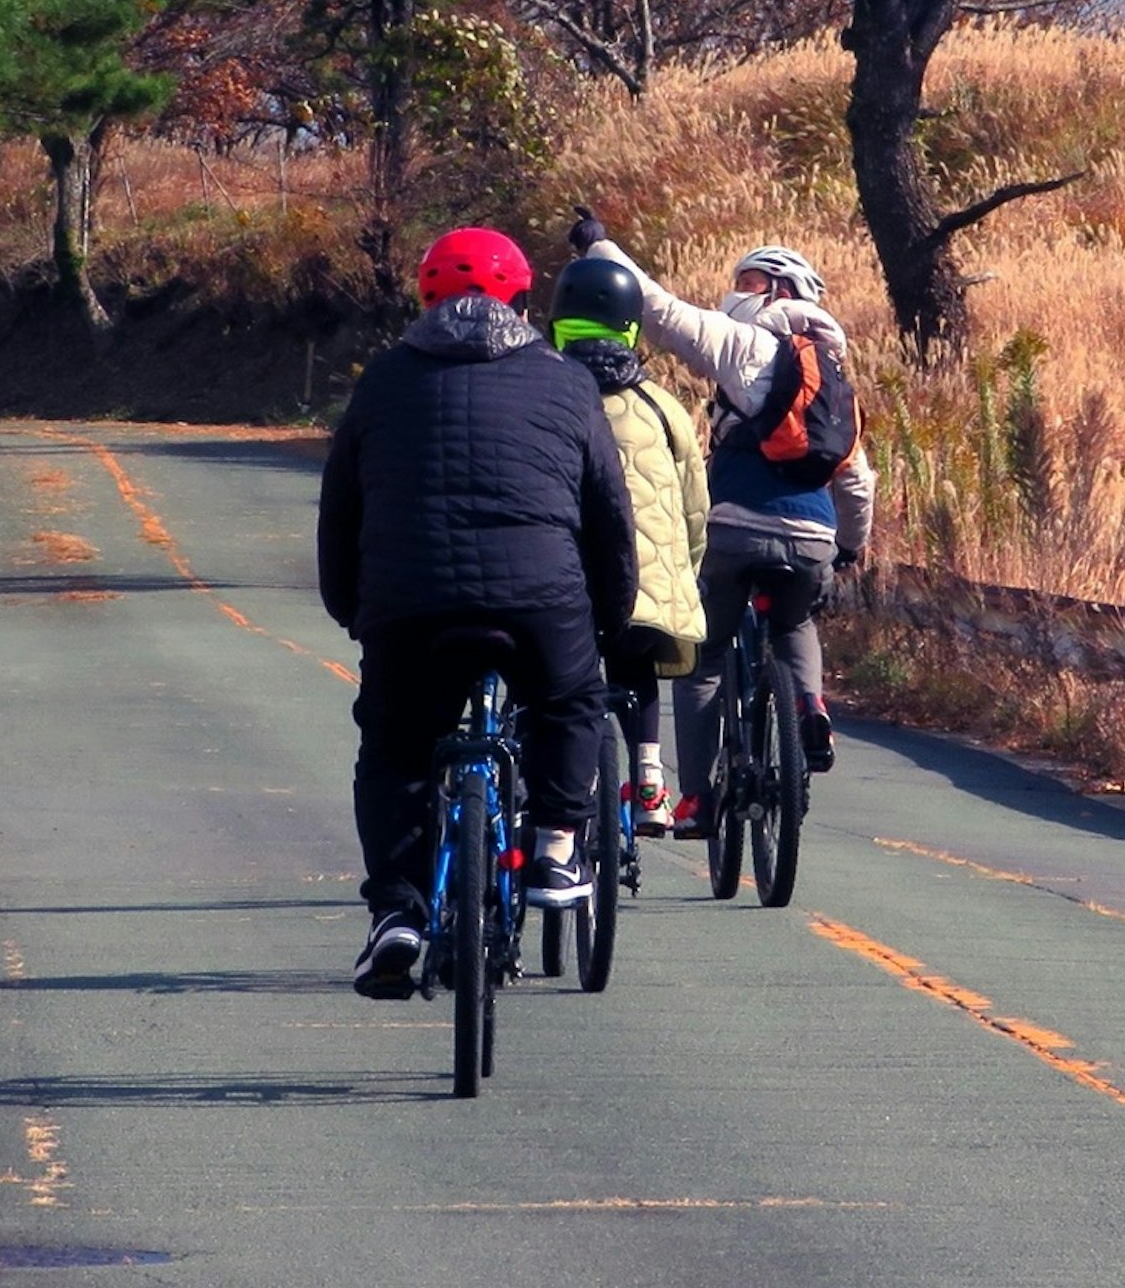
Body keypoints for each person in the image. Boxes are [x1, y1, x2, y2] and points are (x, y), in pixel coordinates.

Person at [317, 224, 635, 1000]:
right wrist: (610, 615)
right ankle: (557, 845)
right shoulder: (566, 383)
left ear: (424, 297)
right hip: (539, 598)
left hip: (409, 606)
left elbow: (341, 512)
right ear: (524, 301)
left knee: (394, 749)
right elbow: (609, 517)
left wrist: (353, 608)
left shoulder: (385, 380)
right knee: (569, 704)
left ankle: (396, 911)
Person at [563, 217, 871, 829]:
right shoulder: (836, 376)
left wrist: (598, 244)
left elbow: (656, 307)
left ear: (781, 293)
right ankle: (811, 706)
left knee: (702, 661)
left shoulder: (744, 343)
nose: (737, 290)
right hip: (812, 534)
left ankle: (699, 796)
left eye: (750, 280)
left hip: (733, 524)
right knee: (796, 620)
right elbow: (857, 480)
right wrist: (847, 549)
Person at [550, 251, 707, 835]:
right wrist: (684, 574)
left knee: (554, 675)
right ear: (632, 328)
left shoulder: (545, 396)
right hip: (647, 582)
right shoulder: (662, 407)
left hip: (562, 581)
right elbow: (695, 507)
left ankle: (553, 788)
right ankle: (649, 784)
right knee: (635, 664)